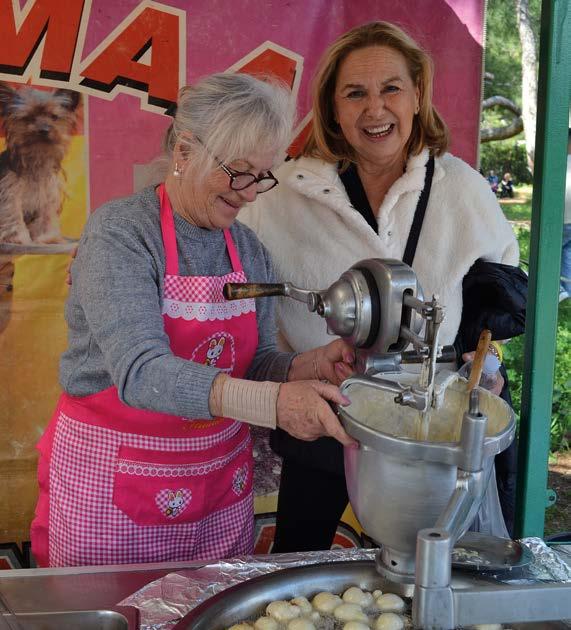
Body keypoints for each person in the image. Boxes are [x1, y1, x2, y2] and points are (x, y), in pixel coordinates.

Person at [30, 73, 358, 568]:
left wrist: (311, 365)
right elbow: (140, 371)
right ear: (184, 152)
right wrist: (274, 404)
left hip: (215, 493)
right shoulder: (121, 234)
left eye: (262, 176)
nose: (251, 194)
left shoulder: (248, 249)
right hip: (114, 489)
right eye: (239, 172)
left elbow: (256, 362)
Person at [240, 21, 521, 551]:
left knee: (430, 566)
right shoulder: (282, 197)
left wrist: (486, 365)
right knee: (300, 563)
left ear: (417, 96)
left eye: (391, 88)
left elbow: (498, 297)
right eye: (355, 94)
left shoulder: (461, 190)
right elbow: (231, 274)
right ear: (332, 109)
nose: (375, 109)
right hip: (324, 414)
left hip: (431, 428)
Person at [560, 129, 571, 302]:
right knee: (567, 254)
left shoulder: (560, 162)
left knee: (549, 252)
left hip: (562, 219)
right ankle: (567, 290)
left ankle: (558, 289)